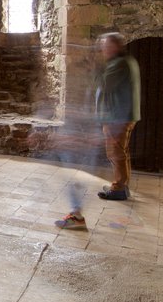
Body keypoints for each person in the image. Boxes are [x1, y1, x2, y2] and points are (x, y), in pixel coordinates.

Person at [56, 32, 141, 230]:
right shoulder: (121, 62)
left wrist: (94, 69)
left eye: (106, 45)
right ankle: (121, 185)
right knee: (120, 152)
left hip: (117, 117)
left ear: (116, 46)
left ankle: (119, 188)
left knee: (116, 152)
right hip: (118, 116)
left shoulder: (120, 64)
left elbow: (104, 84)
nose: (103, 49)